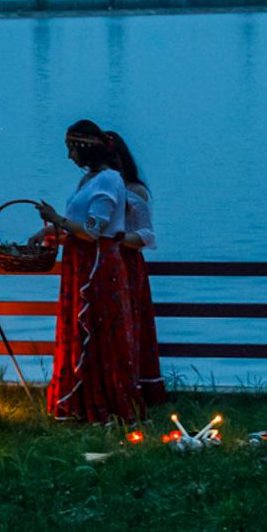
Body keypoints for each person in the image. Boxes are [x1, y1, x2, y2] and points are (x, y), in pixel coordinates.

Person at [35, 120, 140, 424]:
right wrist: (49, 231)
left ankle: (104, 402)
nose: (69, 157)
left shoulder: (109, 180)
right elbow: (77, 223)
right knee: (79, 328)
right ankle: (80, 399)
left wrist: (56, 217)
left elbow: (94, 231)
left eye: (71, 149)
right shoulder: (89, 180)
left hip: (97, 263)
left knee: (98, 329)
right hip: (79, 258)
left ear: (85, 150)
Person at [107, 130, 166, 406]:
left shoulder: (134, 191)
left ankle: (136, 385)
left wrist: (117, 240)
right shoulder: (97, 188)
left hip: (126, 265)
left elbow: (147, 235)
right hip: (101, 263)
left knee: (129, 323)